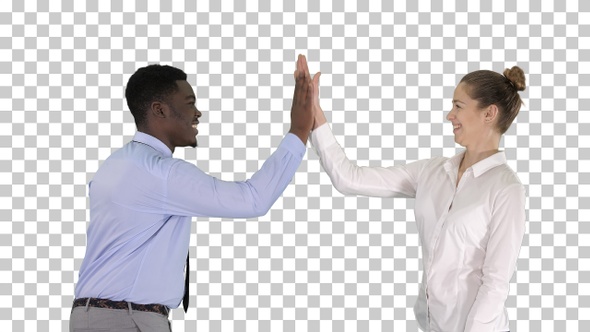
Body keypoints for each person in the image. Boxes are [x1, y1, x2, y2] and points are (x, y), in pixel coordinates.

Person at [70, 55, 315, 332]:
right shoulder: (161, 173)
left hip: (97, 316)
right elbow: (252, 200)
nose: (197, 113)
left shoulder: (116, 165)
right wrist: (299, 130)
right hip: (127, 319)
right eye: (189, 104)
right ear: (159, 110)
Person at [307, 67, 526, 331]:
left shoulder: (506, 189)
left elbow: (496, 282)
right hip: (430, 324)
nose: (450, 115)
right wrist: (315, 116)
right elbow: (349, 178)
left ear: (489, 113)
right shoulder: (432, 172)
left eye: (458, 105)